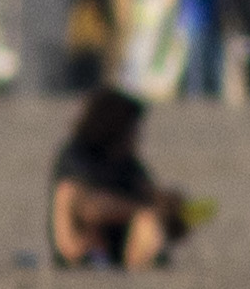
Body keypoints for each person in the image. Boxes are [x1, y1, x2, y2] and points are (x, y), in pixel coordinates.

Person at [46, 83, 191, 268]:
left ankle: (151, 261)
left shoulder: (129, 166)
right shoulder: (77, 157)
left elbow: (152, 197)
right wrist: (140, 208)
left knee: (149, 220)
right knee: (67, 193)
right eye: (133, 130)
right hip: (80, 246)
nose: (137, 137)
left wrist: (173, 209)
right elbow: (89, 208)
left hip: (121, 251)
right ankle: (81, 259)